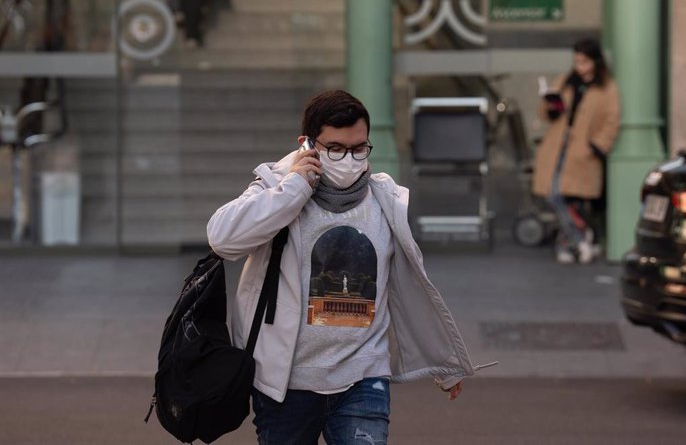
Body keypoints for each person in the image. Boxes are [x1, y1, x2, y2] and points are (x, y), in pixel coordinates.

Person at [207, 90, 495, 444]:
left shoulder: (385, 200)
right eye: (335, 149)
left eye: (359, 148)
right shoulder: (275, 186)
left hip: (363, 376)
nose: (349, 159)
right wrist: (293, 188)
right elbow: (223, 239)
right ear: (307, 144)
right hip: (286, 385)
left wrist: (444, 363)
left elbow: (410, 290)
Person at [532, 38, 620, 264]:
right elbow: (546, 113)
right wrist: (551, 105)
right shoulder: (566, 81)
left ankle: (571, 244)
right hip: (557, 147)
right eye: (577, 61)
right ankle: (582, 237)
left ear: (595, 61)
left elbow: (611, 121)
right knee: (553, 194)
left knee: (572, 199)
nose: (579, 66)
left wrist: (596, 147)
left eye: (584, 61)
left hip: (582, 153)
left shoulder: (607, 88)